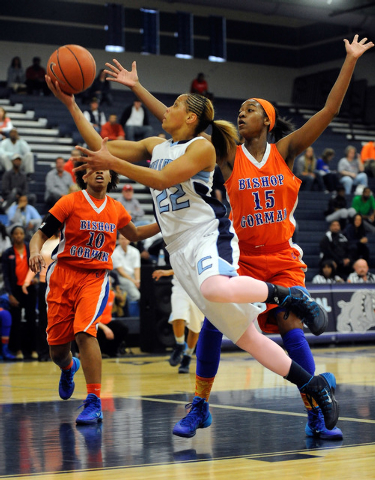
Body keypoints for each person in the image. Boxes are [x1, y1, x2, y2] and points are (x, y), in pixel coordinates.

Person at [46, 55, 343, 438]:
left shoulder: (205, 149)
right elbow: (103, 146)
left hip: (212, 237)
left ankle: (288, 296)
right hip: (180, 249)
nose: (165, 109)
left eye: (173, 105)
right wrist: (72, 105)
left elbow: (161, 177)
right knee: (244, 337)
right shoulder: (160, 143)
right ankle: (311, 384)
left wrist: (114, 150)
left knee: (217, 291)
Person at [28, 162, 160, 424]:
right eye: (93, 169)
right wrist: (34, 252)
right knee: (57, 351)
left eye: (105, 169)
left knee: (85, 332)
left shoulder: (116, 208)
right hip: (63, 275)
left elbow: (134, 233)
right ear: (83, 176)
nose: (100, 172)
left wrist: (164, 223)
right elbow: (40, 235)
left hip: (95, 278)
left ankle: (94, 401)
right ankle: (68, 367)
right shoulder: (69, 202)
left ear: (111, 176)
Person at [153, 268, 204, 373]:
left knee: (195, 329)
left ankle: (187, 357)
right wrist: (168, 272)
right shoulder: (178, 251)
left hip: (199, 289)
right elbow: (179, 264)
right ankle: (180, 345)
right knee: (178, 317)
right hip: (180, 287)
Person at [22, 231, 60, 361]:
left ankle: (68, 352)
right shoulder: (42, 242)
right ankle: (43, 353)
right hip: (44, 284)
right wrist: (27, 281)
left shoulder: (63, 240)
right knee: (44, 320)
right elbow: (35, 263)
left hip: (60, 284)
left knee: (62, 318)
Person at [2, 225, 38, 360]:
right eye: (16, 234)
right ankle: (17, 350)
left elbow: (37, 265)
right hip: (15, 290)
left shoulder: (30, 249)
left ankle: (33, 349)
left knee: (31, 319)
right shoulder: (8, 253)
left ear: (24, 235)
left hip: (29, 289)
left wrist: (35, 277)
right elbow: (5, 276)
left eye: (21, 233)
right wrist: (10, 294)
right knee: (16, 321)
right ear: (12, 236)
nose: (18, 236)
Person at [112, 235, 141, 315]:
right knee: (131, 286)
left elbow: (137, 268)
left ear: (129, 240)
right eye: (121, 239)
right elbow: (120, 271)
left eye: (125, 239)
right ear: (118, 240)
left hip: (133, 277)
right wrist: (133, 281)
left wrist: (138, 280)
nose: (124, 241)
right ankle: (135, 314)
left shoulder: (135, 251)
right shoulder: (114, 253)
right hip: (120, 277)